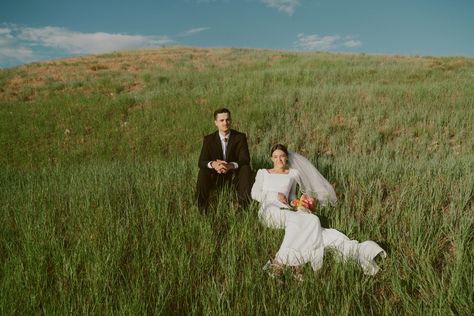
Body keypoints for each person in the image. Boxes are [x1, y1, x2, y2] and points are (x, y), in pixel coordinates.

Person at [251, 144, 386, 276]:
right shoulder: (263, 173)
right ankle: (280, 261)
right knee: (301, 221)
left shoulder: (291, 174)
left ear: (287, 158)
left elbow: (291, 198)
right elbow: (255, 194)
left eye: (282, 156)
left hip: (286, 210)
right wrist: (275, 195)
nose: (279, 160)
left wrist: (299, 203)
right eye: (275, 157)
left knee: (313, 219)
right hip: (270, 209)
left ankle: (298, 262)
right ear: (271, 158)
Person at [196, 108, 252, 212]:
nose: (225, 123)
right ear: (216, 123)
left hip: (233, 176)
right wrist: (213, 164)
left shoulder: (240, 137)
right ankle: (202, 207)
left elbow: (245, 159)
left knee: (246, 168)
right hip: (216, 176)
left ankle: (243, 207)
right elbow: (201, 162)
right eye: (221, 120)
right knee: (203, 171)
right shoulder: (208, 139)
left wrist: (230, 165)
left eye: (227, 119)